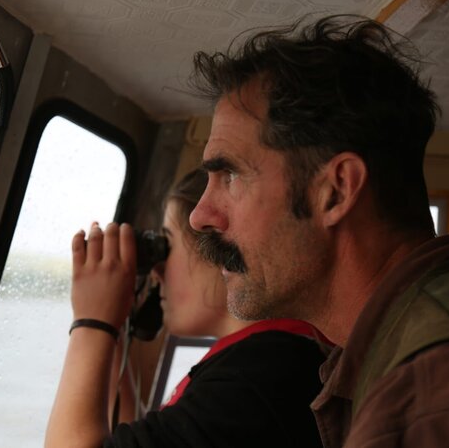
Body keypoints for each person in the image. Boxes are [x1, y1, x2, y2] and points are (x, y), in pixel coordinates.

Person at [186, 15, 449, 447]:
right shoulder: (400, 362)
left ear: (336, 191)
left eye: (231, 176)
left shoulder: (439, 398)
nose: (200, 216)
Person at [45, 168, 327, 447]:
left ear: (218, 252)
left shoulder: (257, 378)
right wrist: (112, 328)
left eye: (166, 246)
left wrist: (92, 322)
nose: (156, 271)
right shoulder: (268, 359)